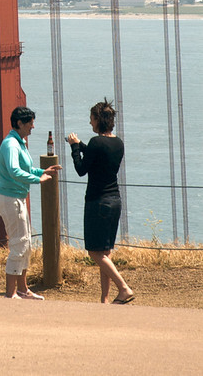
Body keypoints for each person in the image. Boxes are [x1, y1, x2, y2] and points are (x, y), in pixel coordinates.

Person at [66, 98, 134, 304]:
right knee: (105, 252)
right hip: (115, 201)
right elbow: (99, 156)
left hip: (98, 202)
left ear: (98, 121)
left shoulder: (96, 143)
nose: (90, 123)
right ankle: (104, 299)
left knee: (94, 253)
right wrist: (81, 144)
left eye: (91, 119)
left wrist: (74, 148)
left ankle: (124, 288)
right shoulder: (118, 143)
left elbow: (81, 169)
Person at [0, 105, 61, 301]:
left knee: (26, 243)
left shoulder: (19, 142)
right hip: (10, 198)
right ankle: (11, 293)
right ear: (19, 123)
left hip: (17, 197)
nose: (33, 126)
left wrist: (43, 172)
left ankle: (23, 290)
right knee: (18, 243)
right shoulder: (11, 145)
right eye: (30, 122)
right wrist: (37, 180)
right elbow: (14, 170)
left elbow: (27, 168)